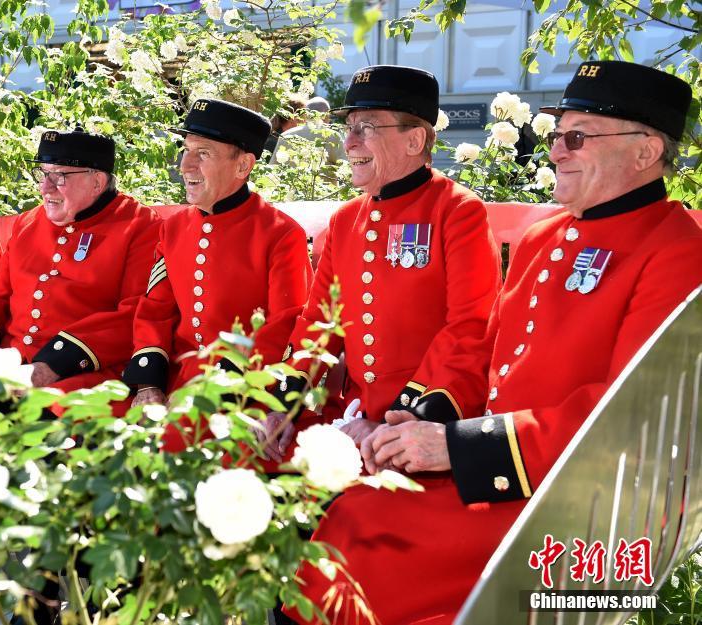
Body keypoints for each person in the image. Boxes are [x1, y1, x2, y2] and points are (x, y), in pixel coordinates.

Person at [286, 61, 702, 625]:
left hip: (582, 499)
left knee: (364, 530)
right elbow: (483, 348)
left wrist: (458, 447)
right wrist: (421, 422)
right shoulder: (544, 237)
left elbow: (626, 416)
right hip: (512, 471)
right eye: (557, 135)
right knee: (350, 513)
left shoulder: (678, 250)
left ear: (645, 151)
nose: (556, 151)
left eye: (577, 137)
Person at [260, 65, 501, 461]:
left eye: (367, 127)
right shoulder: (346, 219)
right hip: (353, 419)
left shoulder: (457, 211)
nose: (349, 142)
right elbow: (319, 322)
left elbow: (470, 330)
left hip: (425, 425)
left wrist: (401, 418)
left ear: (414, 140)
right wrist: (284, 404)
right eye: (349, 127)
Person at [122, 98, 313, 450]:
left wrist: (216, 389)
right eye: (186, 150)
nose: (185, 165)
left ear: (243, 165)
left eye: (203, 153)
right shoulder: (173, 227)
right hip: (176, 380)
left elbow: (285, 325)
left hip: (244, 391)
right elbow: (154, 311)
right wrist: (149, 384)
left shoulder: (280, 233)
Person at [0, 129, 160, 398]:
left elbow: (135, 314)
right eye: (43, 174)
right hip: (9, 364)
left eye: (59, 176)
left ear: (97, 182)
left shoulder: (140, 226)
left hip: (82, 376)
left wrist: (50, 366)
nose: (45, 188)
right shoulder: (27, 222)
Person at [270, 95, 345, 165]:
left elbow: (272, 168)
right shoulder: (334, 137)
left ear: (305, 114)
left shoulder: (285, 136)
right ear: (326, 115)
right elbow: (345, 168)